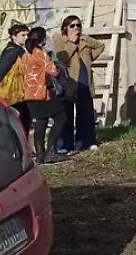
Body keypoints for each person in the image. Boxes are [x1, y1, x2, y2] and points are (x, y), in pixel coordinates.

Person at [53, 16, 106, 153]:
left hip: (84, 82)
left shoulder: (84, 40)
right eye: (72, 26)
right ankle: (65, 144)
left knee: (86, 115)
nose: (76, 28)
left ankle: (86, 142)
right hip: (69, 84)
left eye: (78, 25)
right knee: (66, 116)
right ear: (65, 28)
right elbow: (62, 58)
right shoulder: (60, 40)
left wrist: (88, 50)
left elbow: (100, 46)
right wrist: (71, 43)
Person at [23, 26, 71, 164]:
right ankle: (50, 151)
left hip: (30, 94)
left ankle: (40, 156)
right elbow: (53, 71)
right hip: (43, 93)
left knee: (41, 122)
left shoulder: (26, 54)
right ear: (42, 39)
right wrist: (57, 66)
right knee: (61, 118)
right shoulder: (40, 53)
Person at [0, 22, 32, 133]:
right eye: (23, 35)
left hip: (18, 93)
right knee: (20, 123)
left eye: (27, 35)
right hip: (13, 94)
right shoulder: (13, 52)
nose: (26, 38)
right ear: (14, 36)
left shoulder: (18, 50)